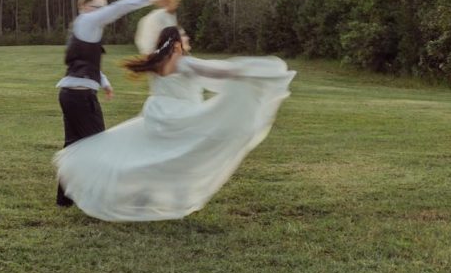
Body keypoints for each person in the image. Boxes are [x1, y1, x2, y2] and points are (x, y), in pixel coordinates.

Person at [54, 25, 295, 221]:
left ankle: (144, 196)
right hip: (182, 116)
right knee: (182, 157)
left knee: (151, 156)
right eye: (184, 36)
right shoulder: (183, 62)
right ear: (177, 43)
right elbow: (219, 72)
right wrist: (251, 72)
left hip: (157, 114)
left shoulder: (154, 61)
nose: (188, 38)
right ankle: (174, 199)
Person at [55, 0, 181, 207]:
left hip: (72, 94)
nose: (102, 12)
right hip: (80, 97)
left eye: (103, 8)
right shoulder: (87, 21)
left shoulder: (85, 28)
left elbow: (83, 62)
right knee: (100, 147)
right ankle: (107, 199)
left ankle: (64, 200)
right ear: (84, 8)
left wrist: (104, 82)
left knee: (74, 146)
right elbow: (120, 7)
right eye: (97, 8)